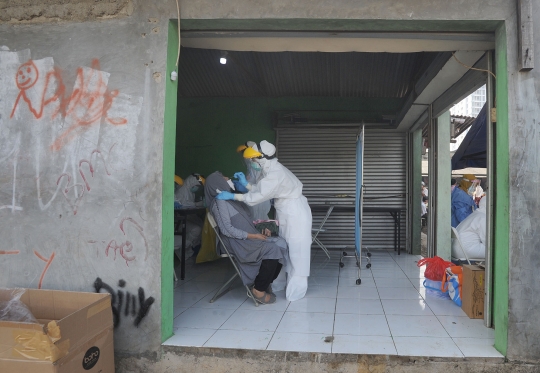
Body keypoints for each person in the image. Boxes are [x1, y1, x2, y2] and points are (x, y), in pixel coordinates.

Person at [216, 140, 312, 302]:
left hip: (296, 213)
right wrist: (247, 185)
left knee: (298, 251)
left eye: (253, 160)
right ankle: (279, 284)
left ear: (261, 158)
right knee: (285, 248)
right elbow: (265, 190)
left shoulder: (276, 173)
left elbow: (259, 196)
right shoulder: (271, 170)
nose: (252, 163)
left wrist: (233, 195)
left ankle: (296, 291)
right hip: (287, 211)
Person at [205, 171, 289, 304]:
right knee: (272, 249)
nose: (228, 178)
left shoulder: (232, 198)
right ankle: (259, 290)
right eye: (223, 177)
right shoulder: (219, 202)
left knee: (281, 244)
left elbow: (248, 221)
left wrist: (262, 230)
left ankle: (264, 282)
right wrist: (254, 235)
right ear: (217, 183)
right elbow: (227, 230)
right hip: (235, 241)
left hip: (247, 237)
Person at [235, 142, 271, 220]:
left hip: (260, 201)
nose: (244, 156)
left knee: (260, 223)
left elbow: (260, 187)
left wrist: (245, 186)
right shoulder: (251, 167)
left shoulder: (258, 167)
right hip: (253, 199)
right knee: (254, 221)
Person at [174, 174, 205, 254]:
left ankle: (193, 247)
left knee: (202, 225)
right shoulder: (182, 191)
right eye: (197, 186)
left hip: (187, 218)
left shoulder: (190, 192)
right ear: (192, 183)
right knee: (197, 229)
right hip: (179, 221)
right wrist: (196, 204)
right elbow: (182, 205)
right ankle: (188, 247)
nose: (197, 188)